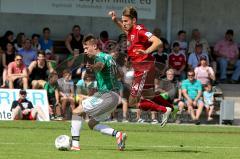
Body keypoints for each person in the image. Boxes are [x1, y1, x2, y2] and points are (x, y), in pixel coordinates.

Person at [109, 6, 172, 127]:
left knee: (132, 101)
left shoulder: (140, 30)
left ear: (134, 21)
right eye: (123, 21)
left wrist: (147, 51)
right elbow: (123, 28)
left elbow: (158, 41)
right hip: (142, 68)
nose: (124, 23)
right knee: (149, 96)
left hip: (144, 67)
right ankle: (170, 108)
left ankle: (164, 110)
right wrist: (115, 20)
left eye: (126, 21)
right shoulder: (131, 31)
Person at [70, 35, 127, 151]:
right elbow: (121, 74)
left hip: (106, 95)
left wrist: (93, 67)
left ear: (95, 46)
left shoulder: (99, 57)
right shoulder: (110, 58)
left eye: (86, 48)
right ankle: (118, 135)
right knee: (92, 124)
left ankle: (75, 145)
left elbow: (100, 66)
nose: (85, 51)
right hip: (115, 97)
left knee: (76, 112)